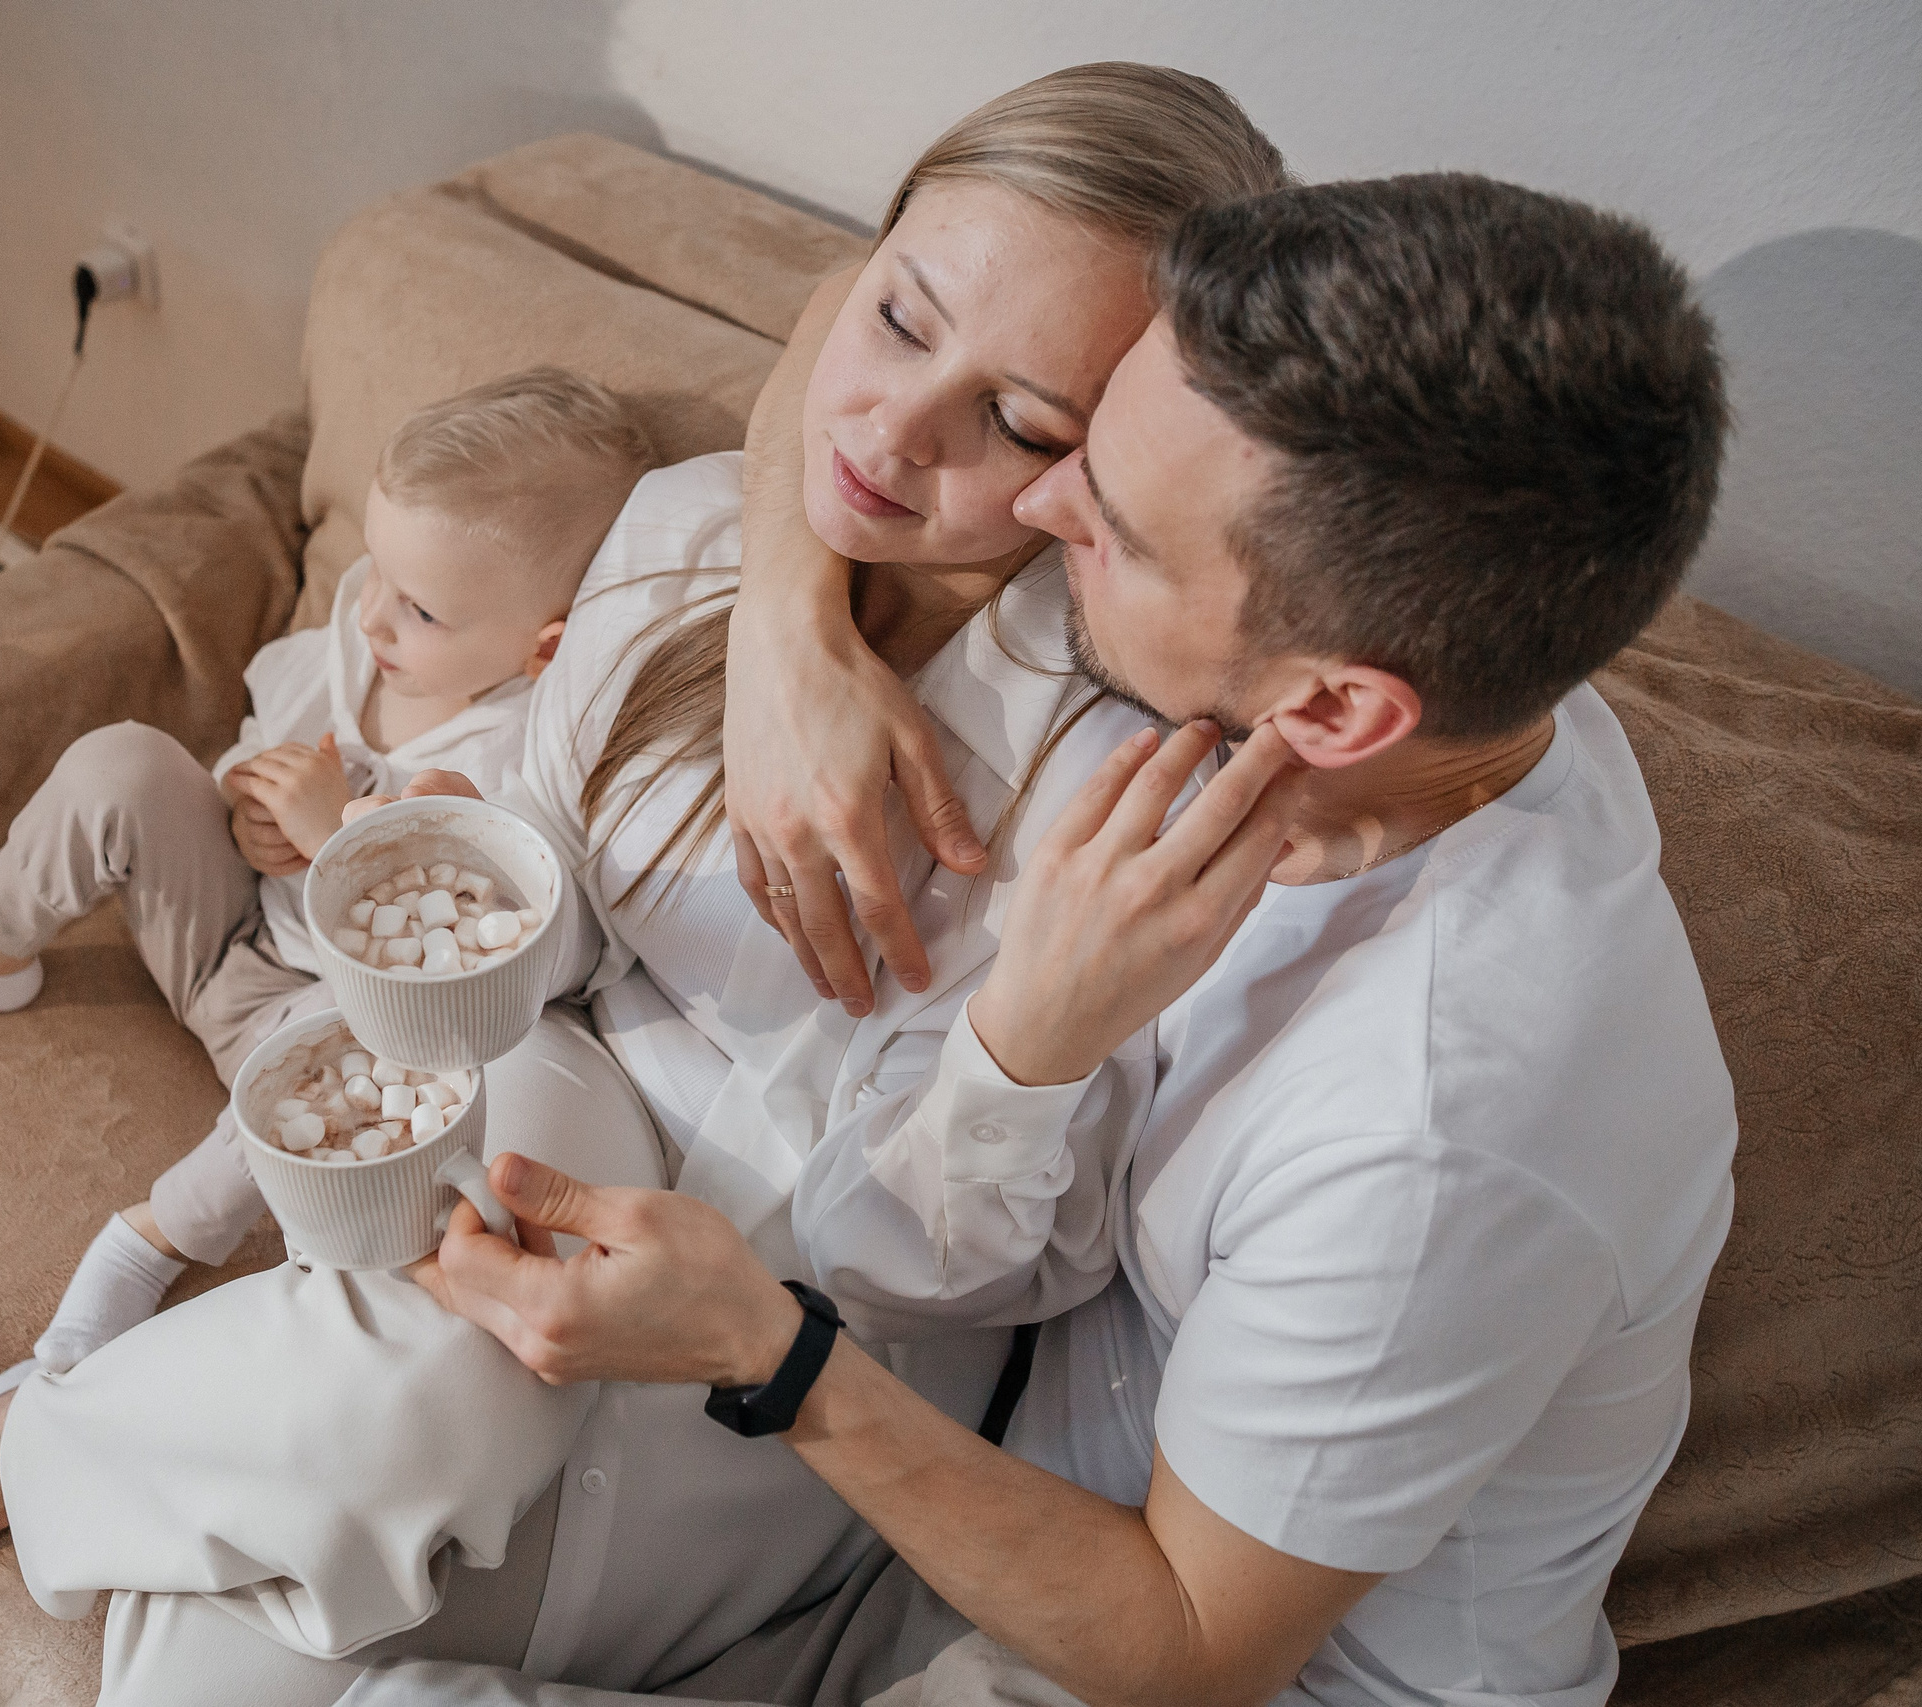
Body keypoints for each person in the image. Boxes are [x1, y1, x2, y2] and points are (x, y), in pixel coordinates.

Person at [0, 65, 1296, 1702]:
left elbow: (981, 1265)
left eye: (1022, 423)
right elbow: (554, 898)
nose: (892, 433)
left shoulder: (1118, 782)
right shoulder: (691, 527)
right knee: (426, 1375)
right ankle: (52, 1452)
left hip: (811, 1311)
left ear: (1117, 462)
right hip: (563, 1074)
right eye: (904, 321)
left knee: (286, 1568)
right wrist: (467, 869)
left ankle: (32, 1447)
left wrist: (1008, 1061)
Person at [395, 170, 1738, 1707]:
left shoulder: (1436, 1126)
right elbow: (854, 325)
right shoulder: (1430, 641)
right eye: (1078, 440)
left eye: (1112, 526)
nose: (1039, 512)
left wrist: (764, 1352)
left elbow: (1188, 1644)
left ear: (1334, 707)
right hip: (972, 1532)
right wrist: (788, 626)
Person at [0, 368, 655, 1375]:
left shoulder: (513, 758)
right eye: (375, 573)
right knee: (124, 759)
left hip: (325, 1026)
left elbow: (479, 951)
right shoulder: (357, 647)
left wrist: (342, 831)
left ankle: (150, 1240)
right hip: (217, 934)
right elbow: (244, 757)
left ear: (540, 650)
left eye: (420, 611)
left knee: (399, 1059)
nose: (374, 618)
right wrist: (243, 806)